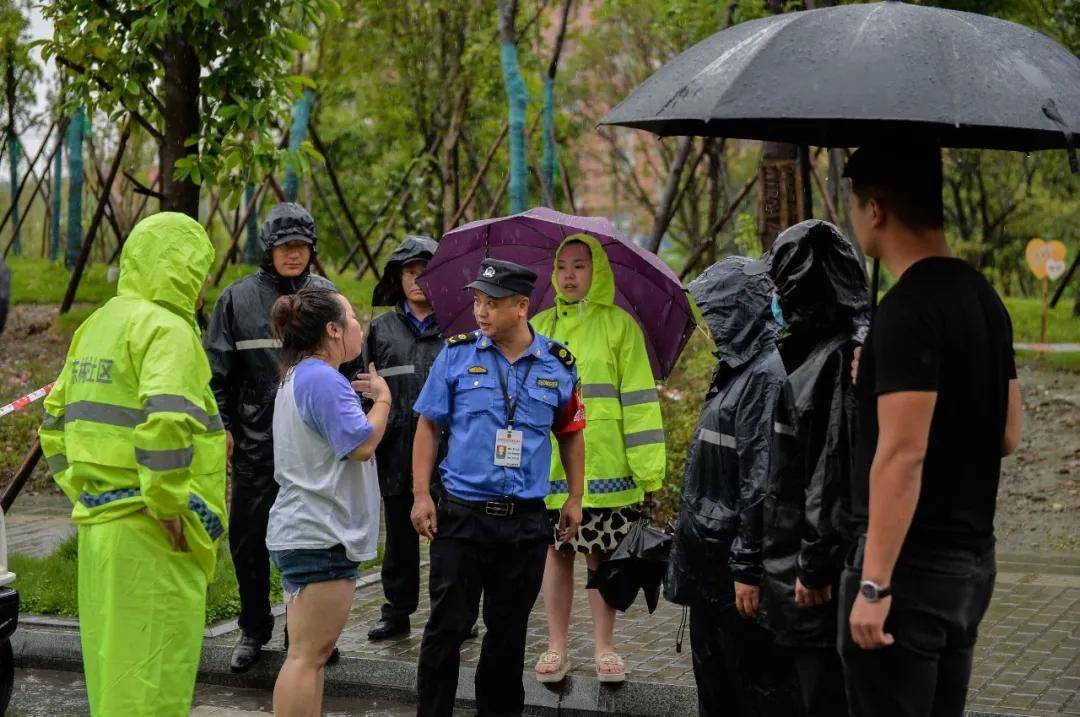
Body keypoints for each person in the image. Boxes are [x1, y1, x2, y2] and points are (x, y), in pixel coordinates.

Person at [839, 145, 1023, 716]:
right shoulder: (985, 299)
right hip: (970, 568)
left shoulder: (906, 311)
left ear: (875, 210)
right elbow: (1008, 434)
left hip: (907, 576)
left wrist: (873, 585)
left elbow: (901, 455)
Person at [39, 213, 227, 716]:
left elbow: (52, 422)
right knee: (153, 688)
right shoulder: (167, 330)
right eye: (200, 267)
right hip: (154, 533)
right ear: (181, 265)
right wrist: (167, 504)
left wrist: (88, 491)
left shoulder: (97, 325)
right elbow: (166, 419)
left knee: (114, 684)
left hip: (102, 531)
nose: (203, 281)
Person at [411, 258, 586, 717]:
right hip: (462, 516)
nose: (481, 312)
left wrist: (574, 496)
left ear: (522, 306)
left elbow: (570, 432)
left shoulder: (558, 363)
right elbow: (428, 426)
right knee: (447, 628)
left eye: (492, 303)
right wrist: (421, 494)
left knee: (508, 634)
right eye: (477, 302)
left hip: (525, 522)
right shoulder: (457, 354)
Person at [203, 202, 336, 672]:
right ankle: (254, 627)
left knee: (314, 539)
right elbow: (214, 374)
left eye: (301, 246)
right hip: (256, 445)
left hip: (312, 447)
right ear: (268, 250)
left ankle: (307, 633)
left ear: (312, 248)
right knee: (249, 538)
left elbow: (348, 368)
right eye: (285, 247)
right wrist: (223, 426)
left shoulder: (326, 297)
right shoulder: (235, 300)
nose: (294, 255)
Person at [665, 256, 800, 716]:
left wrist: (747, 568)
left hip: (733, 574)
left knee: (746, 688)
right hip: (711, 566)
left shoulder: (764, 377)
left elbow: (760, 481)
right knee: (716, 686)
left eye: (714, 315)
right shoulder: (737, 370)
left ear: (736, 314)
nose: (708, 327)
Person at [531, 234, 665, 683]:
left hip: (608, 468)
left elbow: (641, 402)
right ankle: (556, 645)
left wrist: (649, 469)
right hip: (549, 465)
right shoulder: (538, 327)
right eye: (563, 266)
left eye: (580, 266)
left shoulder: (620, 326)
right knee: (557, 553)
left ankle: (605, 647)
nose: (570, 275)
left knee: (601, 557)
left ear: (598, 272)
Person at [758, 219, 870, 717]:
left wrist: (814, 562)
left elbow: (833, 469)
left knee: (821, 693)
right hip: (796, 565)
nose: (775, 295)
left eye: (781, 283)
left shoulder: (837, 361)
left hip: (814, 574)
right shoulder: (808, 353)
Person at [265, 286, 389, 716]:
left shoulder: (303, 375)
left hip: (306, 529)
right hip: (320, 534)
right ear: (334, 330)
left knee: (308, 655)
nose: (360, 328)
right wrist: (384, 401)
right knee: (306, 656)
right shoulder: (321, 378)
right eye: (353, 320)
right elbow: (361, 444)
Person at [361, 235, 448, 640]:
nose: (418, 280)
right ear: (399, 278)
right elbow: (363, 386)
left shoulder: (456, 328)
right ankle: (397, 612)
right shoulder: (381, 328)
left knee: (450, 540)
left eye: (426, 272)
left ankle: (453, 614)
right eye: (410, 272)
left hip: (449, 451)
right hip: (395, 449)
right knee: (398, 536)